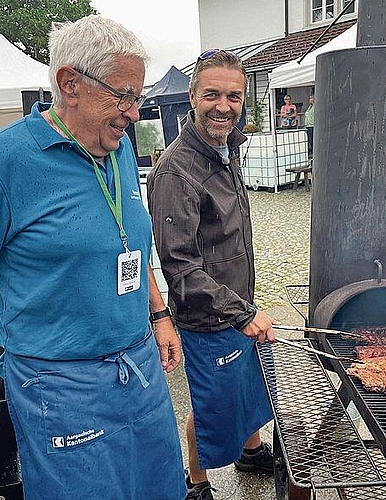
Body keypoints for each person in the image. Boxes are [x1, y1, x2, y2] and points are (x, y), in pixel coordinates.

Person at [0, 15, 186, 500]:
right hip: (57, 384)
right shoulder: (7, 161)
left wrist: (159, 314)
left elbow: (130, 243)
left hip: (139, 365)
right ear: (70, 84)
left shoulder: (117, 146)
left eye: (137, 98)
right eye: (123, 96)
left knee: (161, 488)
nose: (134, 114)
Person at [147, 49, 278, 500]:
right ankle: (197, 481)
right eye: (213, 95)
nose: (224, 106)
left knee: (247, 386)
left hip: (239, 304)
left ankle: (251, 450)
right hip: (209, 316)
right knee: (211, 402)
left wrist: (246, 308)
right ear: (192, 96)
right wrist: (241, 313)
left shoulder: (228, 149)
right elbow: (180, 267)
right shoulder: (177, 170)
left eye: (234, 96)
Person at [305, 94, 315, 158]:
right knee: (309, 139)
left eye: (311, 98)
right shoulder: (310, 106)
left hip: (312, 125)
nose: (309, 99)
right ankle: (311, 151)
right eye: (309, 98)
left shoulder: (315, 106)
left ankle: (313, 151)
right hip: (308, 125)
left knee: (312, 139)